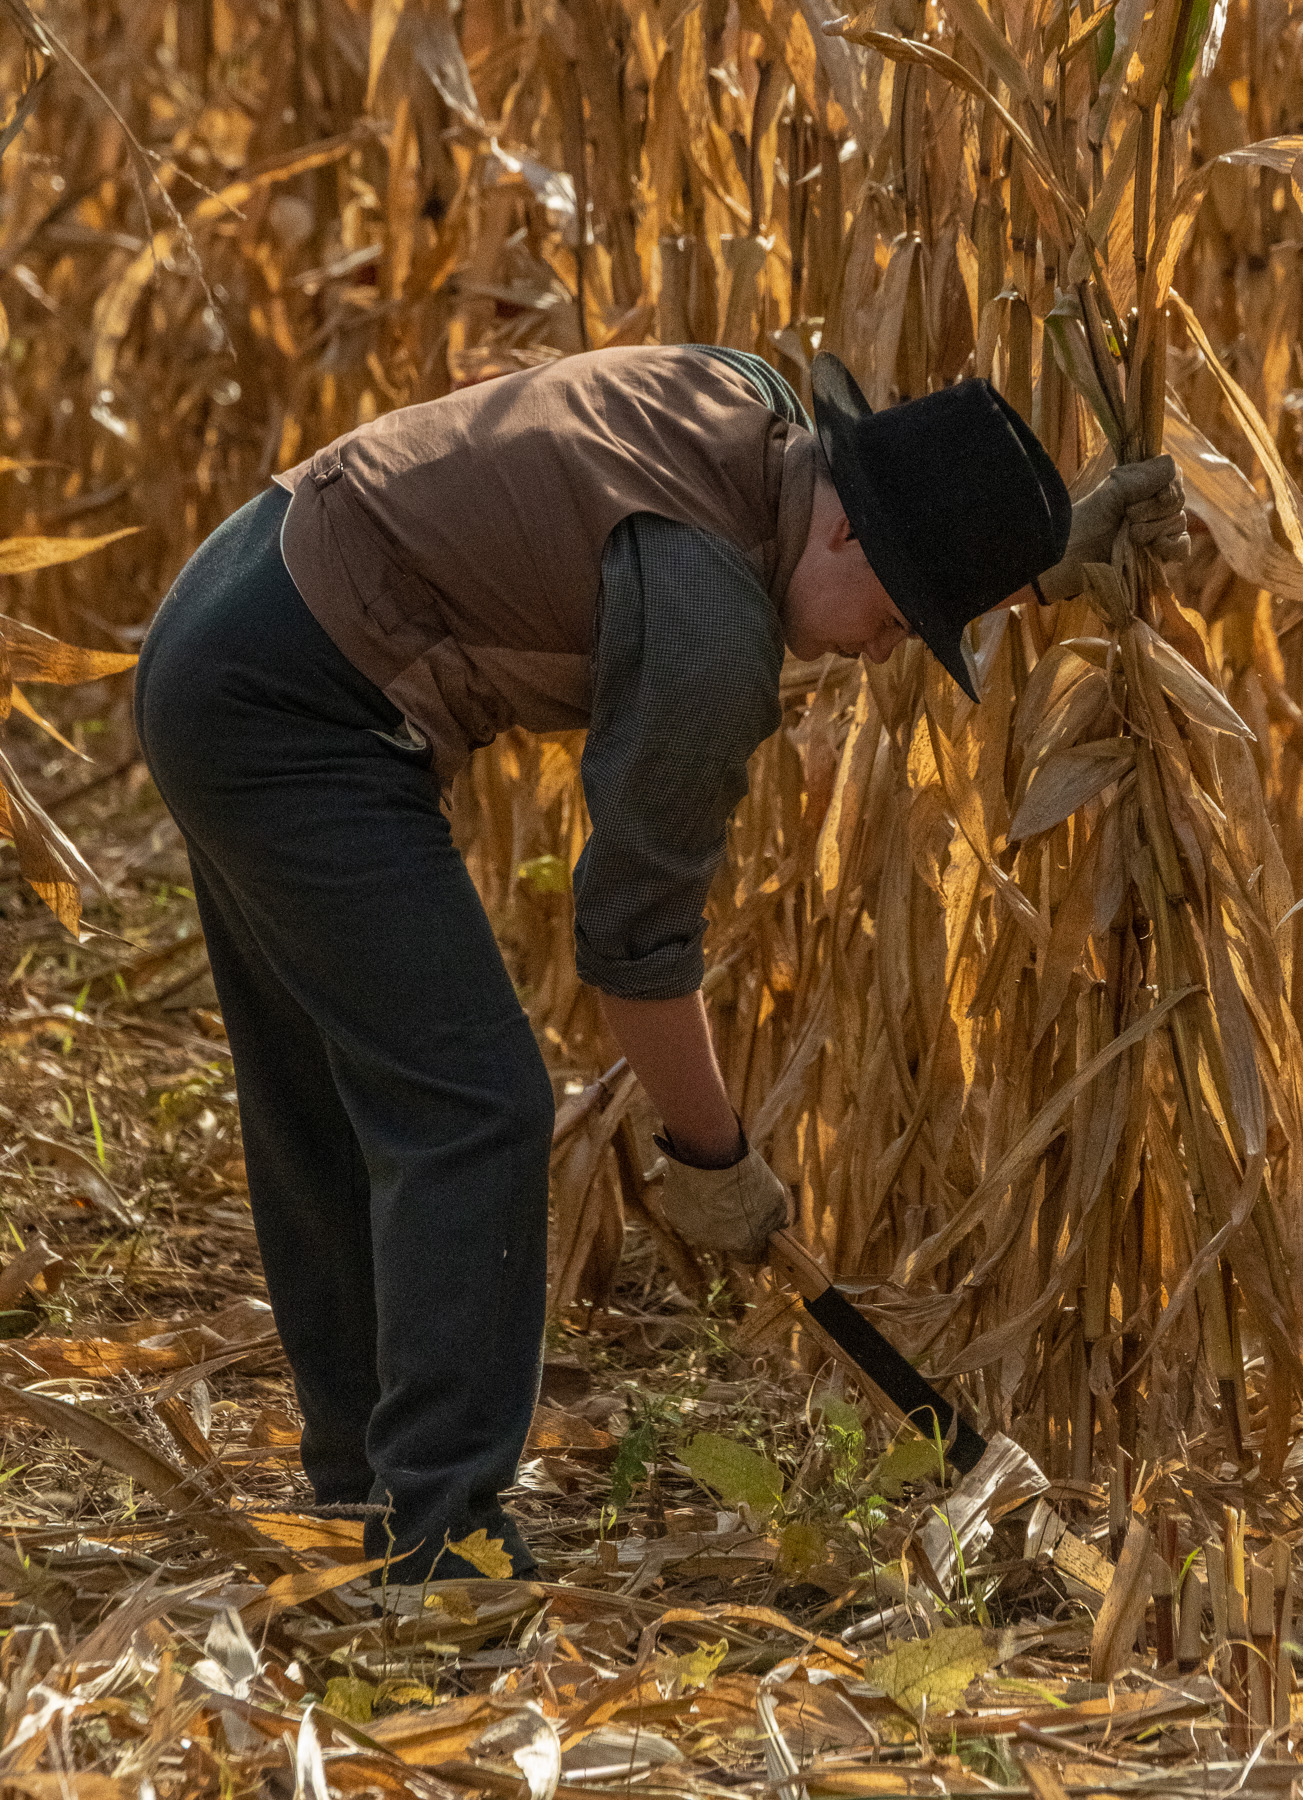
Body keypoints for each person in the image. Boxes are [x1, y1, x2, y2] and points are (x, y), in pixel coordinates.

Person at [133, 344, 1190, 1582]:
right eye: (902, 619)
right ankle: (442, 1550)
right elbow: (632, 942)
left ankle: (360, 1494)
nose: (878, 653)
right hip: (287, 708)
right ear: (848, 541)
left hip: (234, 604)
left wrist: (1037, 550)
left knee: (334, 1090)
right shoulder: (707, 639)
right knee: (480, 1107)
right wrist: (716, 1157)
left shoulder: (755, 411)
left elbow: (869, 499)